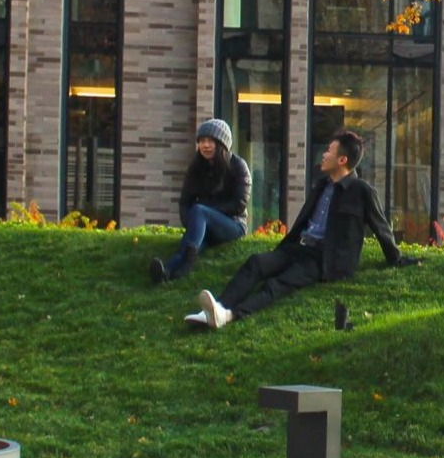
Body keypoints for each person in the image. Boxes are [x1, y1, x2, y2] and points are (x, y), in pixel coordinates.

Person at [189, 130, 416, 329]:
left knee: (276, 284)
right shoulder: (322, 185)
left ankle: (229, 316)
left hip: (323, 259)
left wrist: (396, 258)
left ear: (342, 159)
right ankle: (216, 307)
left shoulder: (362, 191)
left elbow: (381, 227)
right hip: (298, 248)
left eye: (329, 151)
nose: (324, 155)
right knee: (256, 262)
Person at [152, 119, 251, 284]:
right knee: (191, 240)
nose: (205, 145)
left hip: (233, 225)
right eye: (202, 141)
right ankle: (168, 272)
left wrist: (205, 214)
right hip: (203, 224)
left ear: (222, 144)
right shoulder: (196, 168)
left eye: (210, 141)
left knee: (199, 210)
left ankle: (187, 261)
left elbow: (239, 204)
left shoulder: (238, 166)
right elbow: (185, 202)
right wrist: (191, 223)